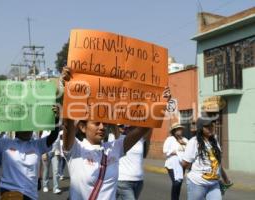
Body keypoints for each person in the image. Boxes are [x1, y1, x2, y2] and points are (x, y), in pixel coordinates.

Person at [61, 67, 171, 200]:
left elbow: (143, 128)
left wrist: (161, 103)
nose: (102, 127)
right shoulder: (75, 149)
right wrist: (68, 90)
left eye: (104, 123)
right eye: (96, 123)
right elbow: (68, 124)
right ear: (83, 128)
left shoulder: (114, 149)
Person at [0, 105, 60, 200]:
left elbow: (53, 137)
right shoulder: (5, 143)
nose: (28, 130)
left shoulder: (37, 145)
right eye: (25, 127)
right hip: (9, 192)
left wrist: (55, 119)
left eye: (30, 127)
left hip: (31, 194)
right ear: (17, 128)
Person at [182, 118, 223, 200]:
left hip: (214, 183)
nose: (211, 128)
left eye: (211, 125)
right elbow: (185, 163)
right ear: (201, 128)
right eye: (207, 126)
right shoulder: (194, 142)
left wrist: (223, 177)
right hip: (197, 183)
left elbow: (217, 162)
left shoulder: (214, 141)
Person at [116, 124, 150, 200]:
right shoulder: (120, 139)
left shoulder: (141, 139)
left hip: (139, 181)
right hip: (123, 181)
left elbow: (149, 129)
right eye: (124, 127)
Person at [163, 122, 188, 200]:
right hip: (172, 164)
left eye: (181, 129)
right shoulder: (170, 139)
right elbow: (165, 150)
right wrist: (176, 151)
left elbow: (191, 149)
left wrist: (184, 144)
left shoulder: (185, 139)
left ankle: (176, 198)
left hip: (182, 164)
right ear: (174, 131)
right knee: (176, 182)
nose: (180, 130)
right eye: (178, 129)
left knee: (179, 182)